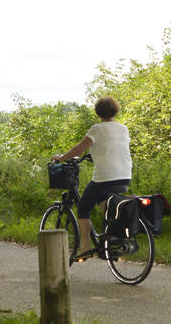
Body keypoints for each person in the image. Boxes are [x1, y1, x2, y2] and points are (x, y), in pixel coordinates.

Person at [52, 96, 132, 260]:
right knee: (106, 203)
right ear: (115, 111)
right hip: (124, 176)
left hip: (105, 177)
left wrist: (61, 158)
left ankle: (86, 247)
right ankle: (111, 239)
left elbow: (78, 150)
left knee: (83, 207)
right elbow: (111, 147)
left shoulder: (97, 129)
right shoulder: (123, 128)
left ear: (98, 113)